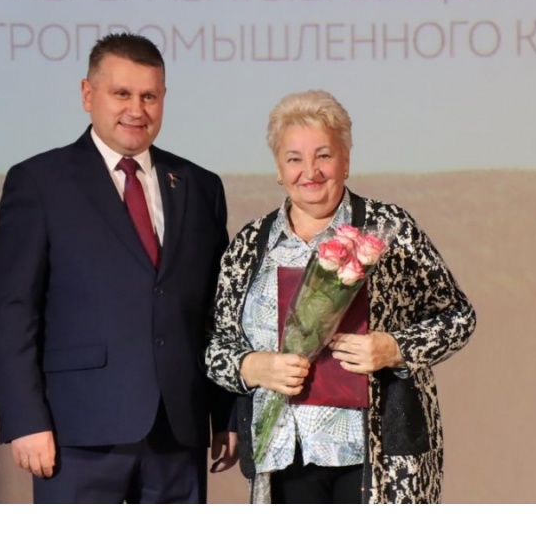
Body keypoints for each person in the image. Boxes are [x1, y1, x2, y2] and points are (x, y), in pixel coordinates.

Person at [0, 33, 237, 503]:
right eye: (122, 93)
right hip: (76, 433)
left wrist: (225, 415)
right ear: (88, 94)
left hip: (177, 433)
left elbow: (217, 313)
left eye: (149, 96)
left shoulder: (200, 186)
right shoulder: (39, 181)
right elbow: (11, 310)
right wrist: (25, 420)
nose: (136, 109)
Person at [204, 90, 476, 504]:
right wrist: (252, 366)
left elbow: (457, 316)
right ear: (278, 169)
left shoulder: (389, 229)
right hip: (283, 454)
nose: (309, 171)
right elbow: (214, 345)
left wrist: (394, 348)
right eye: (294, 158)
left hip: (379, 455)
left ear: (345, 161)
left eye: (324, 155)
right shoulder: (250, 244)